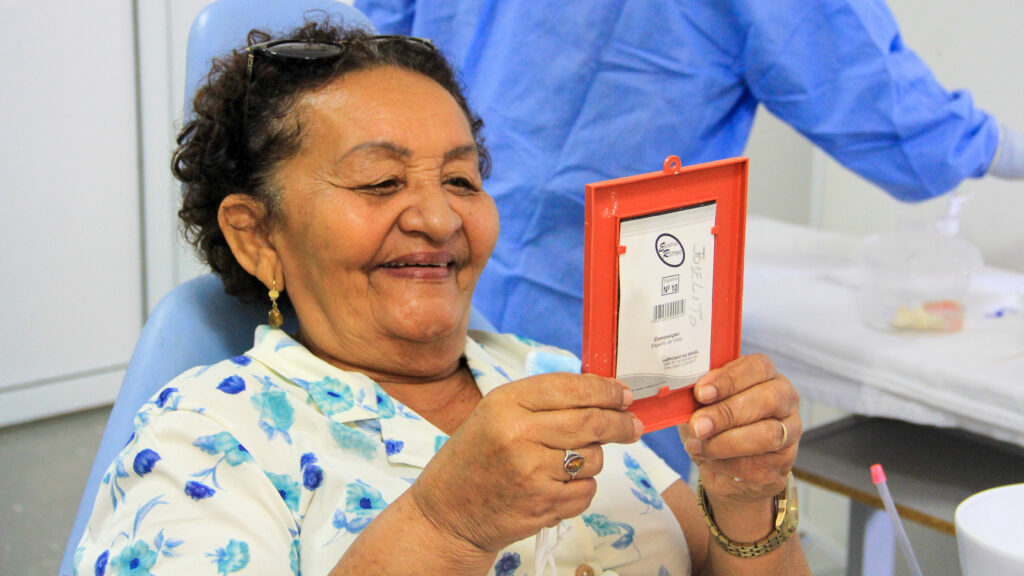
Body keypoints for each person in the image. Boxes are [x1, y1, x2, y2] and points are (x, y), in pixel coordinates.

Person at [73, 20, 809, 575]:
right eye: (379, 182)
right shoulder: (205, 439)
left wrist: (746, 500)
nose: (439, 217)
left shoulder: (547, 381)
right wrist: (445, 526)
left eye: (461, 180)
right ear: (258, 235)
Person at [355, 0, 1024, 356]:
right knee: (611, 520)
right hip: (600, 297)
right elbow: (892, 116)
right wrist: (1003, 150)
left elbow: (377, 52)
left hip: (428, 265)